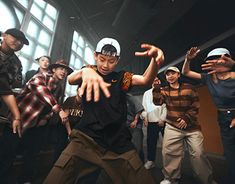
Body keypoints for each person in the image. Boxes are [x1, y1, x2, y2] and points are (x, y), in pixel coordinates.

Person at [44, 37, 164, 184]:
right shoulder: (88, 71)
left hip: (118, 144)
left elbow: (145, 79)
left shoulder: (122, 78)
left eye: (111, 61)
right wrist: (85, 72)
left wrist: (154, 60)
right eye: (101, 59)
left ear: (117, 60)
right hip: (85, 140)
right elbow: (70, 78)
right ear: (95, 56)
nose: (105, 65)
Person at [0, 59, 73, 183]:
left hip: (35, 125)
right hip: (18, 121)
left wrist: (45, 119)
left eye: (66, 70)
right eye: (61, 69)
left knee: (32, 155)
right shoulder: (40, 77)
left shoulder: (59, 89)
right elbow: (42, 92)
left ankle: (25, 180)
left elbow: (49, 110)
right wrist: (58, 110)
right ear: (54, 69)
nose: (64, 72)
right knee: (6, 154)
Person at [153, 66, 216, 184]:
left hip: (192, 127)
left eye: (173, 73)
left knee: (198, 154)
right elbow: (157, 102)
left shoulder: (190, 88)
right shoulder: (164, 90)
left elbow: (195, 105)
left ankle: (206, 180)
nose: (170, 76)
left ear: (178, 75)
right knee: (169, 153)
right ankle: (171, 178)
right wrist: (156, 87)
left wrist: (187, 118)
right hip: (172, 127)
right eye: (168, 74)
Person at [182, 47, 235, 183]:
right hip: (223, 117)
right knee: (230, 151)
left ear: (226, 59)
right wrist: (188, 59)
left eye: (218, 59)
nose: (214, 62)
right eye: (211, 60)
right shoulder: (208, 78)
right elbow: (186, 72)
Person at [0, 28, 29, 139]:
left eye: (22, 42)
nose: (19, 43)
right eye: (16, 38)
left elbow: (15, 87)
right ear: (4, 35)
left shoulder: (17, 63)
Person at [141, 77, 167, 169]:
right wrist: (145, 117)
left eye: (158, 80)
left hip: (164, 122)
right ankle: (151, 161)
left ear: (160, 81)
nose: (156, 81)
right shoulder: (147, 93)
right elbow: (144, 108)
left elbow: (166, 107)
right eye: (154, 79)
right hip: (152, 122)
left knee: (168, 144)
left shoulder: (164, 91)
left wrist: (162, 119)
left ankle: (168, 164)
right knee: (151, 143)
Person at [126, 93, 145, 162]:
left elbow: (139, 110)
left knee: (137, 147)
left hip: (135, 125)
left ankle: (141, 164)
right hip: (125, 126)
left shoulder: (131, 97)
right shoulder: (118, 98)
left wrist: (135, 120)